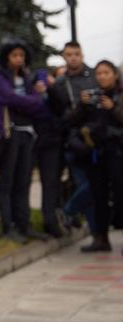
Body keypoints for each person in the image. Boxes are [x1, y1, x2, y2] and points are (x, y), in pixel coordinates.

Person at [0, 39, 50, 243]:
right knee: (7, 181)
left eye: (21, 55)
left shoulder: (27, 78)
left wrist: (28, 101)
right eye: (14, 55)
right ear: (6, 57)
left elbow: (39, 104)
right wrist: (30, 101)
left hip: (27, 133)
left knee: (23, 181)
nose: (19, 59)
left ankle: (24, 224)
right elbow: (9, 98)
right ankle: (8, 227)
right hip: (8, 133)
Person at [69, 60, 123, 253]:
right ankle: (101, 239)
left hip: (117, 153)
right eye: (99, 73)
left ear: (114, 75)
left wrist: (113, 108)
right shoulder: (93, 97)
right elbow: (73, 121)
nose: (102, 77)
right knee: (98, 196)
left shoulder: (119, 96)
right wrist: (83, 105)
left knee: (120, 195)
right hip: (96, 153)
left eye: (106, 73)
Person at [49, 42, 98, 232]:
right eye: (69, 54)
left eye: (76, 54)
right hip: (74, 140)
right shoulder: (61, 83)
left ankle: (70, 212)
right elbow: (61, 115)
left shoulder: (95, 75)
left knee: (96, 184)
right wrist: (81, 108)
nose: (73, 58)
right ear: (64, 57)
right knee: (84, 184)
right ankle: (94, 232)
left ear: (82, 55)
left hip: (97, 136)